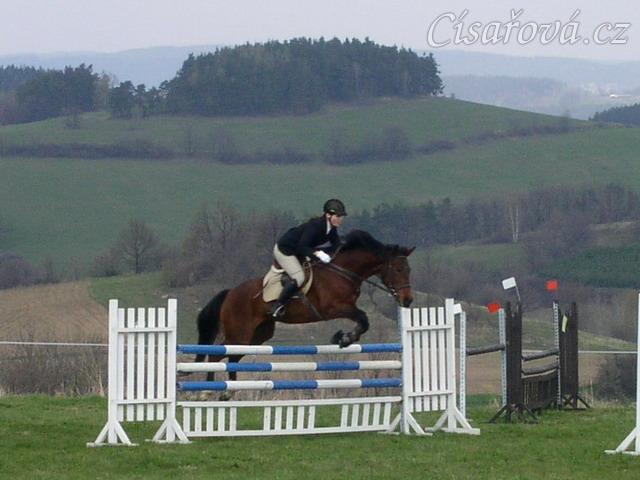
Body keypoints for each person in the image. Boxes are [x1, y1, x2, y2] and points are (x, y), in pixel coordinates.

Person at [269, 199, 347, 318]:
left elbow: (336, 245)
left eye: (341, 216)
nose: (341, 219)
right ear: (328, 215)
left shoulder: (331, 228)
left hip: (300, 251)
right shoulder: (315, 226)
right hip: (286, 250)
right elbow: (302, 247)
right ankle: (278, 306)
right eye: (338, 216)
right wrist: (318, 254)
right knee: (299, 278)